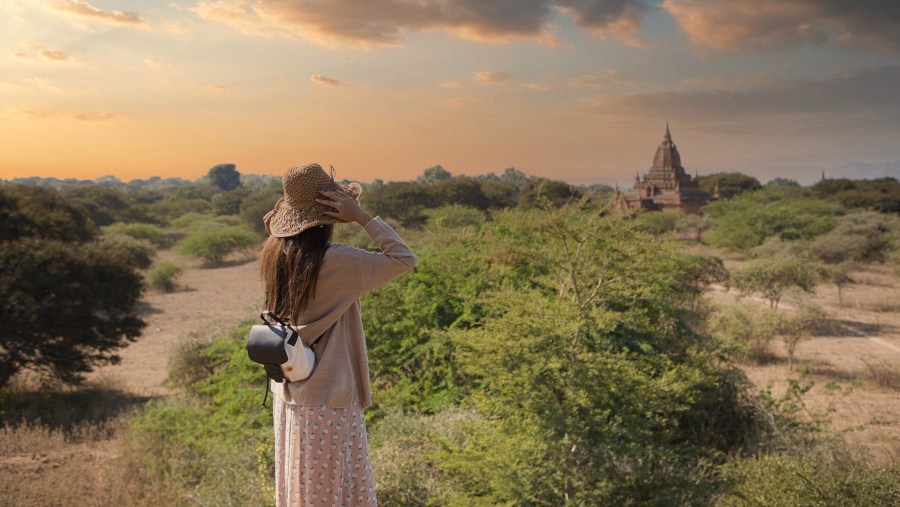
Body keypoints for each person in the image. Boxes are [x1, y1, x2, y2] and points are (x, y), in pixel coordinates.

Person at [258, 163, 417, 506]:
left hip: (288, 391)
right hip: (328, 398)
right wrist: (362, 217)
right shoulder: (339, 261)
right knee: (333, 493)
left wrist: (275, 232)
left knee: (300, 489)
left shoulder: (274, 254)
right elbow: (404, 258)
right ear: (329, 216)